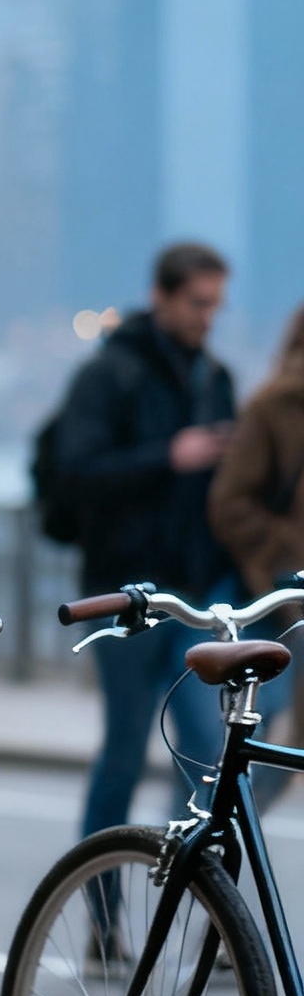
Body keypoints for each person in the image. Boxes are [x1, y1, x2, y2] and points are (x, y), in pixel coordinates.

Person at [57, 244, 237, 852]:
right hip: (123, 592)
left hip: (192, 589)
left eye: (215, 305)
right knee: (126, 749)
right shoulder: (107, 375)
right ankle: (99, 903)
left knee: (207, 753)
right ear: (161, 295)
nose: (207, 316)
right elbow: (76, 473)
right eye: (197, 302)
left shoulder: (215, 379)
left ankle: (190, 891)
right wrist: (168, 456)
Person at [208, 301, 304, 796]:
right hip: (291, 598)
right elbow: (229, 504)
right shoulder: (276, 405)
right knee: (273, 752)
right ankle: (203, 854)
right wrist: (284, 551)